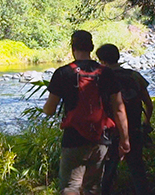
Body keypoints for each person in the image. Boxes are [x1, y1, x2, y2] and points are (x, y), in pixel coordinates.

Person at [43, 30, 130, 195]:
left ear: (72, 47)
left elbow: (49, 109)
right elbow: (119, 108)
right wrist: (125, 140)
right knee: (93, 187)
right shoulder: (107, 72)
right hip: (101, 139)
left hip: (73, 138)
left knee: (71, 187)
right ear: (91, 47)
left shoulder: (63, 73)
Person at [97, 43, 154, 195]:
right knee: (137, 171)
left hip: (109, 133)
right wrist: (146, 122)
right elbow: (149, 105)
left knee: (107, 174)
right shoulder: (134, 76)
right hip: (134, 130)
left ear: (102, 61)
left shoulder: (100, 78)